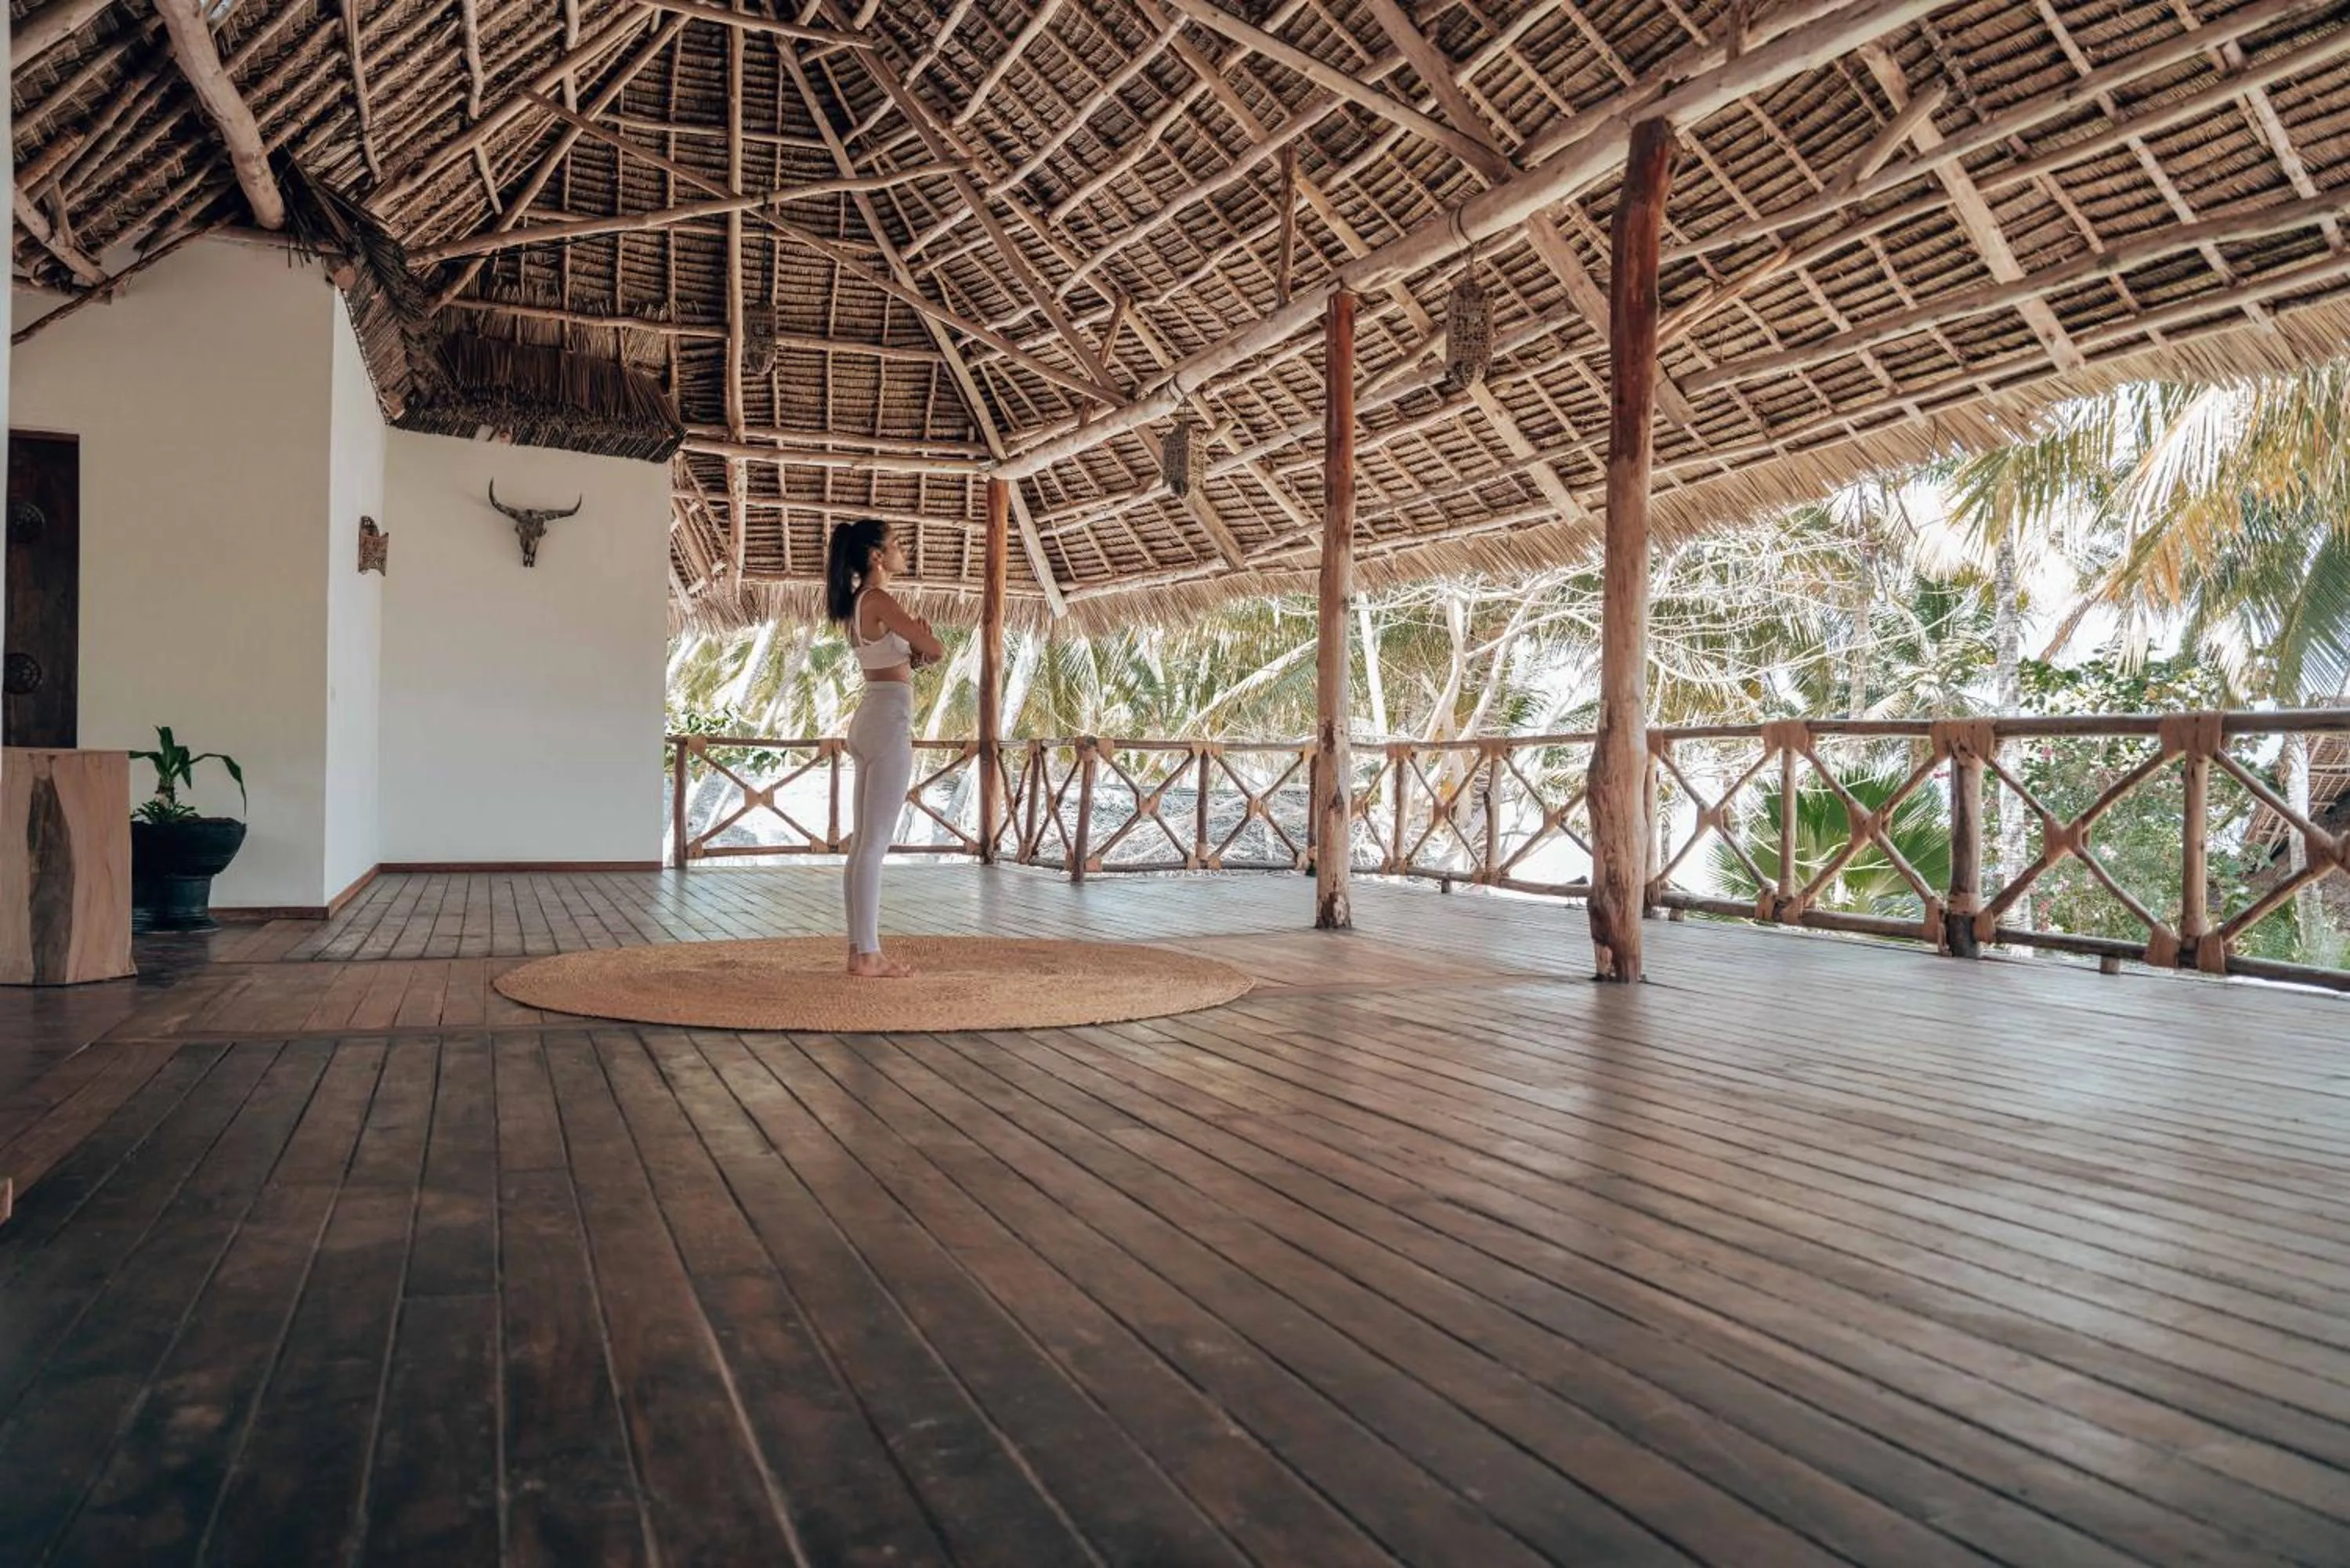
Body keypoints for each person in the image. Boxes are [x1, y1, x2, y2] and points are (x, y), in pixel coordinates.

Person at [826, 518, 945, 978]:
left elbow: (914, 654)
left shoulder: (859, 604)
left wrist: (916, 650)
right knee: (874, 845)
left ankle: (860, 951)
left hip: (871, 716)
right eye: (895, 545)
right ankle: (869, 955)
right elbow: (935, 647)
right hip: (889, 720)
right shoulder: (880, 599)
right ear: (876, 556)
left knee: (863, 846)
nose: (902, 552)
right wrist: (921, 641)